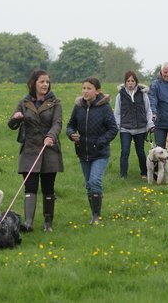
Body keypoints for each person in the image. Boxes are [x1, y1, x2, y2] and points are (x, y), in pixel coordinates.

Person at [8, 70, 63, 232]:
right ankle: (28, 223)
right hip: (29, 149)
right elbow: (11, 125)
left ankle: (48, 224)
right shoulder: (24, 103)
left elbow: (57, 123)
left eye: (47, 82)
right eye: (42, 82)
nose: (45, 84)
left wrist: (51, 136)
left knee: (48, 187)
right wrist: (16, 118)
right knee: (30, 186)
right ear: (34, 83)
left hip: (49, 149)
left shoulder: (55, 102)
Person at [66, 77, 118, 225]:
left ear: (97, 91)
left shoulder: (104, 107)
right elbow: (70, 125)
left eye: (89, 88)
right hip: (83, 152)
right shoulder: (78, 107)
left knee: (95, 181)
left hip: (100, 153)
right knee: (89, 184)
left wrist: (100, 142)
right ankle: (93, 213)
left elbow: (113, 129)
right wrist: (71, 134)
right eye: (84, 88)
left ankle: (96, 216)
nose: (85, 91)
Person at [114, 71, 155, 179]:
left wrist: (150, 124)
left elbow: (148, 110)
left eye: (132, 81)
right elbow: (117, 112)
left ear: (136, 82)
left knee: (140, 151)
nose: (130, 83)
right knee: (125, 150)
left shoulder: (143, 94)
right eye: (128, 81)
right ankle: (123, 174)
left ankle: (144, 173)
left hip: (140, 127)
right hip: (125, 128)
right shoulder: (120, 95)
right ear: (125, 82)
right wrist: (117, 126)